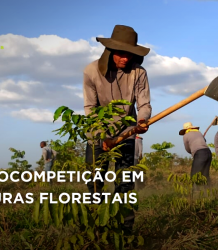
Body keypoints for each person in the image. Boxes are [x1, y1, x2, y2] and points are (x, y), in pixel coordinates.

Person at [82, 25, 152, 232]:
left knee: (125, 183)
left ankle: (125, 230)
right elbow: (90, 108)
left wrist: (142, 121)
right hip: (98, 134)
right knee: (94, 183)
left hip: (127, 132)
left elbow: (144, 104)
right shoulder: (91, 71)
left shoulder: (139, 72)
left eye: (130, 54)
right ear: (110, 51)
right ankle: (96, 228)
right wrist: (101, 137)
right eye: (121, 54)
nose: (126, 58)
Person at [179, 122, 212, 187]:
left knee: (194, 175)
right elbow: (204, 141)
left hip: (199, 154)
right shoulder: (199, 133)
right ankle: (208, 191)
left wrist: (193, 153)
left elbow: (187, 148)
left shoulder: (186, 135)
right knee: (205, 175)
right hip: (208, 152)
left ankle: (195, 192)